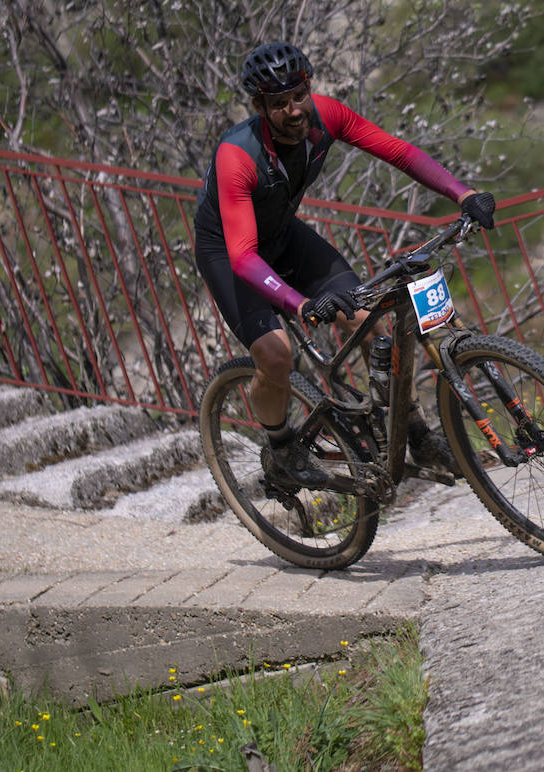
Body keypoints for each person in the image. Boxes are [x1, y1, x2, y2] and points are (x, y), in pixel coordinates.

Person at [194, 41, 496, 489]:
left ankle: (416, 434)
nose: (294, 111)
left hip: (281, 236)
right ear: (260, 106)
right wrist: (299, 304)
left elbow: (398, 152)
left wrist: (463, 193)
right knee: (277, 356)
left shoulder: (326, 115)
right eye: (279, 104)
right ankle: (280, 448)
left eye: (299, 96)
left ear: (309, 87)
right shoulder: (237, 154)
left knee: (368, 315)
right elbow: (242, 255)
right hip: (230, 251)